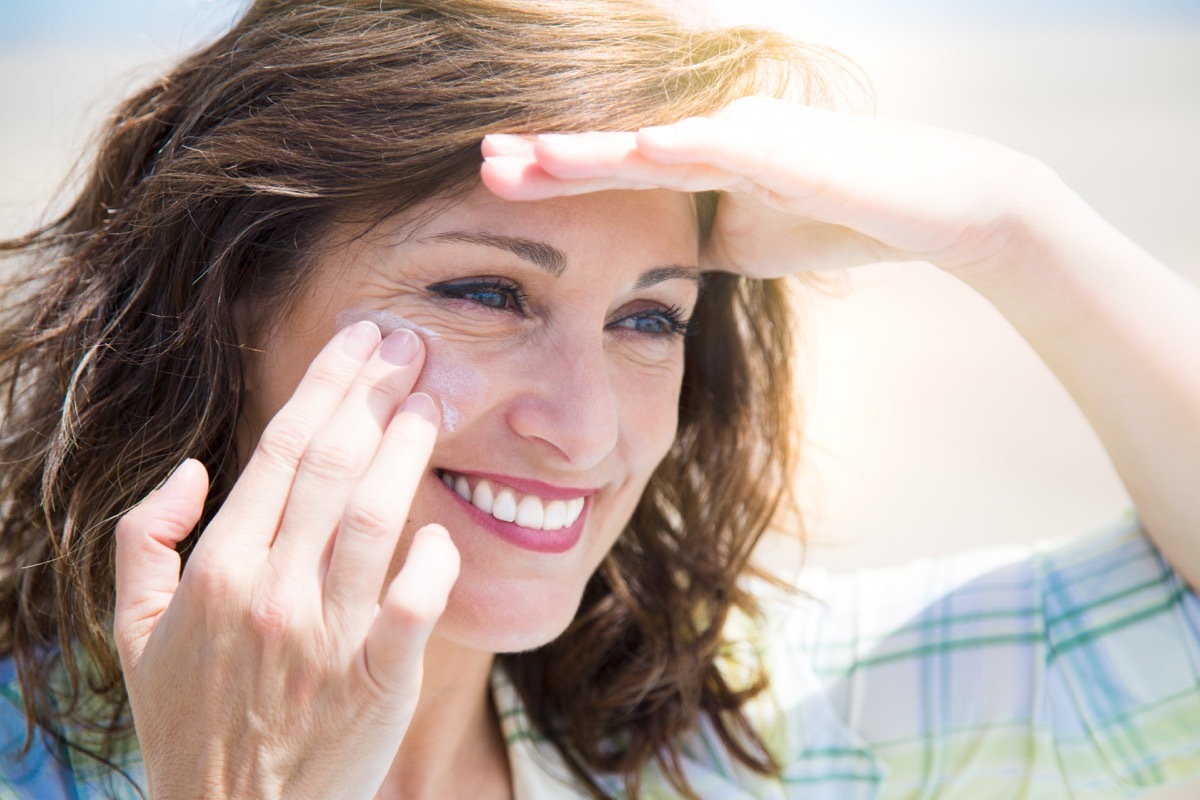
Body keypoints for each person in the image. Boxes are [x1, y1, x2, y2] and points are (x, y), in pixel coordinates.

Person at [0, 0, 1197, 798]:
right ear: (233, 300)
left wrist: (1014, 226)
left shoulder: (749, 729)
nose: (582, 429)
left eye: (649, 318)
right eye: (486, 290)